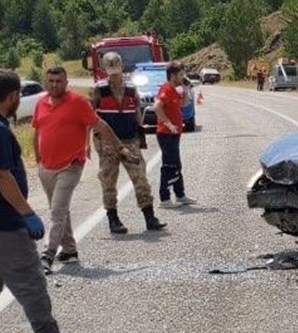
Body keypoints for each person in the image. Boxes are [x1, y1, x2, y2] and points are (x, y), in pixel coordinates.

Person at [0, 69, 91, 333]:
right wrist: (27, 213)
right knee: (30, 279)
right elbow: (2, 177)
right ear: (11, 96)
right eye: (18, 96)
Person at [32, 65, 133, 271]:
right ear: (45, 82)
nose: (54, 85)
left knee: (57, 210)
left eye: (58, 81)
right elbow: (37, 131)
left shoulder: (78, 103)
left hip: (71, 165)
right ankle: (69, 251)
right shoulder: (41, 103)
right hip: (47, 167)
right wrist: (38, 159)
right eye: (50, 81)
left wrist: (121, 148)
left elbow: (101, 126)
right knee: (60, 210)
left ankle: (47, 255)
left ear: (66, 83)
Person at [90, 51, 164, 235]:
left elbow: (137, 111)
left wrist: (141, 134)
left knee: (140, 177)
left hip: (130, 139)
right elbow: (90, 117)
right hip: (107, 142)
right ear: (105, 70)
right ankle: (113, 219)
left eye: (117, 70)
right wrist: (86, 143)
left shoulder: (131, 88)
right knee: (108, 180)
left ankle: (149, 216)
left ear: (122, 67)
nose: (114, 74)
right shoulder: (98, 89)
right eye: (111, 70)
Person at [154, 60, 196, 208]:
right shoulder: (166, 89)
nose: (182, 77)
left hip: (174, 133)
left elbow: (182, 104)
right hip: (166, 133)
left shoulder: (174, 90)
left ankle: (180, 195)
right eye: (180, 75)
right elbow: (157, 107)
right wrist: (168, 124)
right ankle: (164, 199)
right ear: (172, 76)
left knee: (177, 164)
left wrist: (185, 89)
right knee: (169, 165)